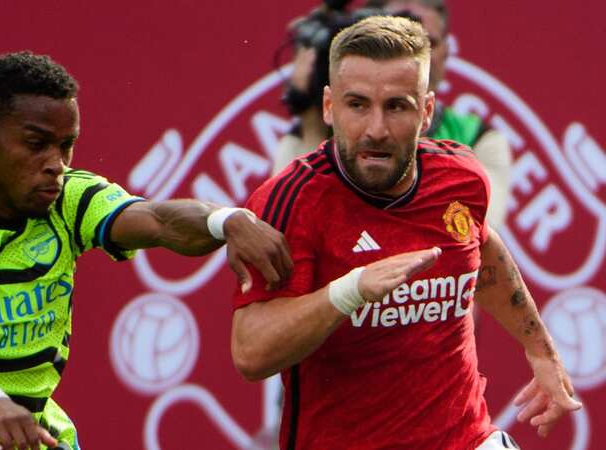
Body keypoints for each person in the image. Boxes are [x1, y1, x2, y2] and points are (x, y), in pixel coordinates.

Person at [0, 51, 292, 450]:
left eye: (66, 145)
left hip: (36, 436)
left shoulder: (67, 197)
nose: (56, 163)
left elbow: (159, 220)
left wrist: (228, 220)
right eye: (36, 144)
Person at [232, 16, 579, 450]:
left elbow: (482, 249)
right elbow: (250, 352)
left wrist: (540, 348)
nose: (376, 129)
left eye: (396, 106)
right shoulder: (291, 203)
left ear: (427, 111)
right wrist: (349, 291)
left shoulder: (461, 178)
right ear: (328, 107)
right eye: (357, 105)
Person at [274, 0, 512, 230]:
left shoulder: (478, 138)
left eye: (427, 42)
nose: (407, 51)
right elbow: (294, 230)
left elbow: (475, 230)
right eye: (391, 39)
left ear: (447, 51)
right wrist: (312, 123)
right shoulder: (304, 134)